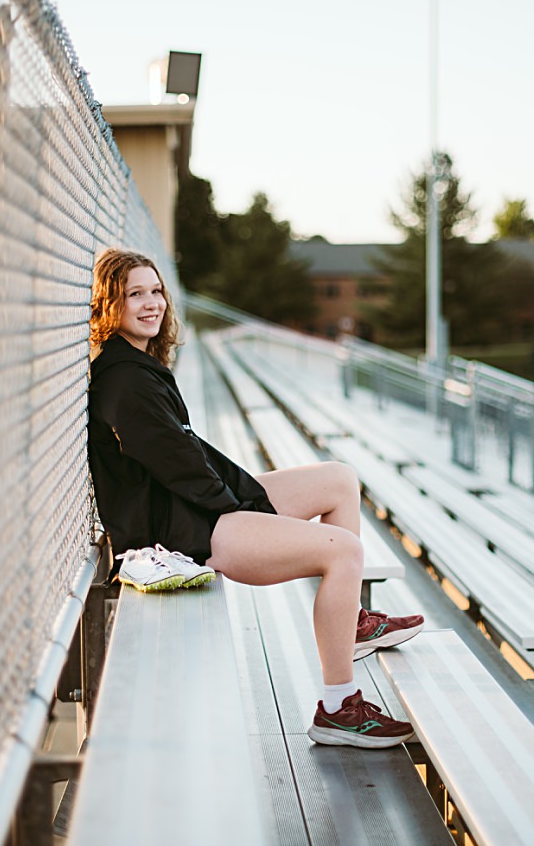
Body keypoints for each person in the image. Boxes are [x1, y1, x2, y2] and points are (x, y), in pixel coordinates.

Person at [87, 248, 424, 749]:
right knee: (343, 550)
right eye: (135, 294)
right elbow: (181, 469)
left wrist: (246, 495)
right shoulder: (125, 380)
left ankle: (347, 622)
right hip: (184, 530)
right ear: (110, 304)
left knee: (338, 479)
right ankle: (338, 707)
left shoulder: (137, 365)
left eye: (155, 290)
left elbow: (190, 457)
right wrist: (248, 510)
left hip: (197, 506)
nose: (151, 303)